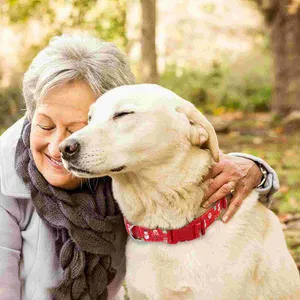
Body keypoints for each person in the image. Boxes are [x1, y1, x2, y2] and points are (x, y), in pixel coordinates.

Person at [0, 34, 279, 300]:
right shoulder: (7, 174)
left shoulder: (123, 161)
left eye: (80, 127)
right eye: (45, 125)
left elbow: (181, 153)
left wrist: (255, 169)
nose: (61, 145)